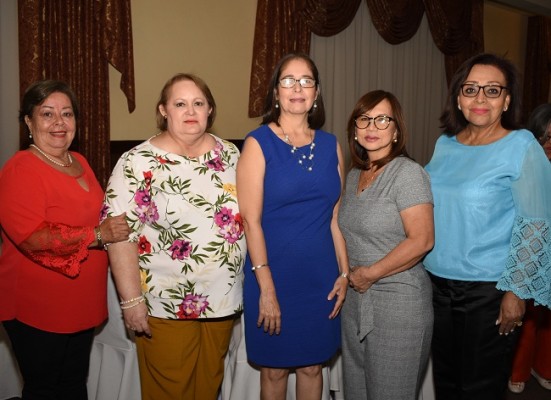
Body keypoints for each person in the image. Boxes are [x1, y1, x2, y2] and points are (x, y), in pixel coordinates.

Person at [102, 73, 246, 400]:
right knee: (169, 392)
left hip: (223, 300)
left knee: (208, 388)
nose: (190, 110)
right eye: (180, 104)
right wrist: (131, 300)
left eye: (198, 103)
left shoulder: (232, 156)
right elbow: (119, 235)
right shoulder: (136, 163)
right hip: (164, 304)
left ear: (210, 110)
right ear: (164, 110)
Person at [424, 53, 551, 400]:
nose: (480, 98)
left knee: (479, 388)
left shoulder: (521, 145)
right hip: (435, 286)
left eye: (492, 90)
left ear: (507, 100)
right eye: (471, 89)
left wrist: (516, 292)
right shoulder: (444, 145)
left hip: (488, 292)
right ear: (458, 98)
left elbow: (536, 225)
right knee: (446, 384)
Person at [0, 80, 130, 399]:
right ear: (29, 122)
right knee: (45, 389)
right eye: (47, 114)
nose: (59, 122)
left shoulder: (79, 162)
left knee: (73, 385)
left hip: (80, 302)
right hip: (38, 305)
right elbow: (34, 238)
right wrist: (99, 235)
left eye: (67, 113)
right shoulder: (20, 169)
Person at [236, 52, 348, 400]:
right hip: (272, 275)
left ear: (316, 93)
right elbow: (250, 222)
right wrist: (266, 287)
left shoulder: (332, 146)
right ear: (275, 93)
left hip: (320, 278)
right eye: (288, 80)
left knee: (314, 367)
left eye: (306, 81)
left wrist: (344, 274)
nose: (297, 88)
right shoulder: (257, 143)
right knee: (274, 371)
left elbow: (333, 218)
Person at [337, 90, 434, 400]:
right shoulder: (354, 176)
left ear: (396, 130)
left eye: (382, 119)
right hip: (356, 302)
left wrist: (371, 274)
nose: (372, 126)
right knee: (357, 391)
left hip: (399, 303)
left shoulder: (408, 174)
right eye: (364, 119)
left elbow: (423, 240)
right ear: (354, 128)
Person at [507, 103, 551, 394]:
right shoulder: (525, 162)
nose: (549, 144)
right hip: (529, 249)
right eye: (545, 137)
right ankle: (518, 370)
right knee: (528, 315)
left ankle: (544, 366)